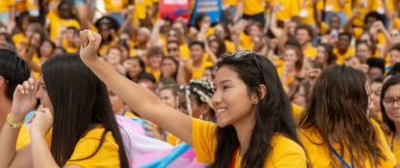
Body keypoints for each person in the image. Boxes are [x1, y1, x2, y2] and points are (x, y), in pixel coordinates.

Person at [79, 30, 306, 167]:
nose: (215, 99)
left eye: (226, 88)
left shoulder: (286, 152)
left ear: (258, 94)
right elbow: (151, 106)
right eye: (215, 89)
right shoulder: (218, 140)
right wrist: (93, 61)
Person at [0, 53, 129, 168]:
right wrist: (16, 115)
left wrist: (37, 134)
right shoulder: (57, 134)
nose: (38, 95)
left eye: (44, 87)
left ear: (67, 94)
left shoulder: (101, 141)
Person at [298, 65, 398, 168]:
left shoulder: (370, 129)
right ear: (343, 102)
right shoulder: (302, 142)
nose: (371, 106)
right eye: (366, 98)